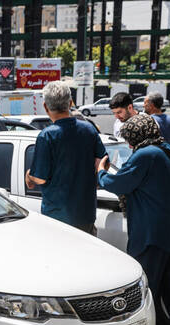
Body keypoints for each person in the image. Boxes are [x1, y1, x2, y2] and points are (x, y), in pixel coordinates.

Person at [96, 114, 170, 325]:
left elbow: (119, 184)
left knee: (143, 292)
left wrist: (100, 171)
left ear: (137, 136)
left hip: (151, 234)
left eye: (129, 139)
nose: (129, 144)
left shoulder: (145, 155)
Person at [25, 80, 107, 235]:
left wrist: (28, 176)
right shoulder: (89, 130)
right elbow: (103, 163)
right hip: (86, 215)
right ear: (70, 103)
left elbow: (40, 178)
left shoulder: (47, 136)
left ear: (45, 107)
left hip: (57, 219)